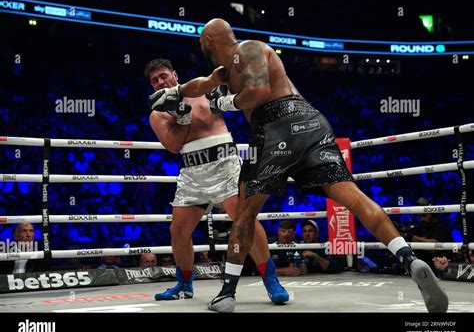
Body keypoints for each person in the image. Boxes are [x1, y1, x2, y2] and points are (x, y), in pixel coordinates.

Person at [151, 19, 449, 313]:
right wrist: (174, 94)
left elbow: (259, 92)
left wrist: (224, 104)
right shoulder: (225, 71)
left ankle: (227, 292)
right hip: (311, 124)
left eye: (201, 42)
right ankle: (409, 258)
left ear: (209, 41)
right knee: (352, 196)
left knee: (244, 215)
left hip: (274, 126)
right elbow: (200, 85)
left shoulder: (251, 48)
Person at [146, 58, 288, 302]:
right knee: (178, 231)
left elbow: (223, 85)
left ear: (175, 75)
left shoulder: (200, 90)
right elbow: (173, 145)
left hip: (224, 166)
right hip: (192, 174)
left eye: (163, 76)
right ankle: (184, 285)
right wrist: (182, 117)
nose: (160, 82)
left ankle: (271, 280)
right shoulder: (158, 114)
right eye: (155, 80)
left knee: (245, 222)